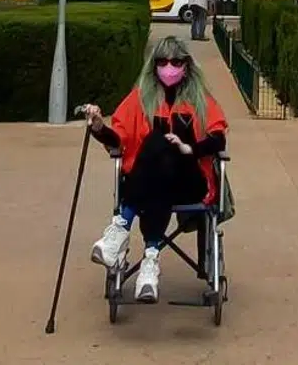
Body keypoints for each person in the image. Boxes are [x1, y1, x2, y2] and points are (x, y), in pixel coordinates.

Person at [81, 36, 229, 304]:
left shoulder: (200, 100)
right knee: (156, 157)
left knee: (157, 142)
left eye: (176, 62)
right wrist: (99, 128)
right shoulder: (140, 99)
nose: (169, 67)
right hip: (151, 184)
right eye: (162, 61)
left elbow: (218, 139)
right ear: (154, 65)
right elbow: (119, 139)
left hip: (189, 182)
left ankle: (121, 228)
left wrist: (189, 148)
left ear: (186, 65)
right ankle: (150, 260)